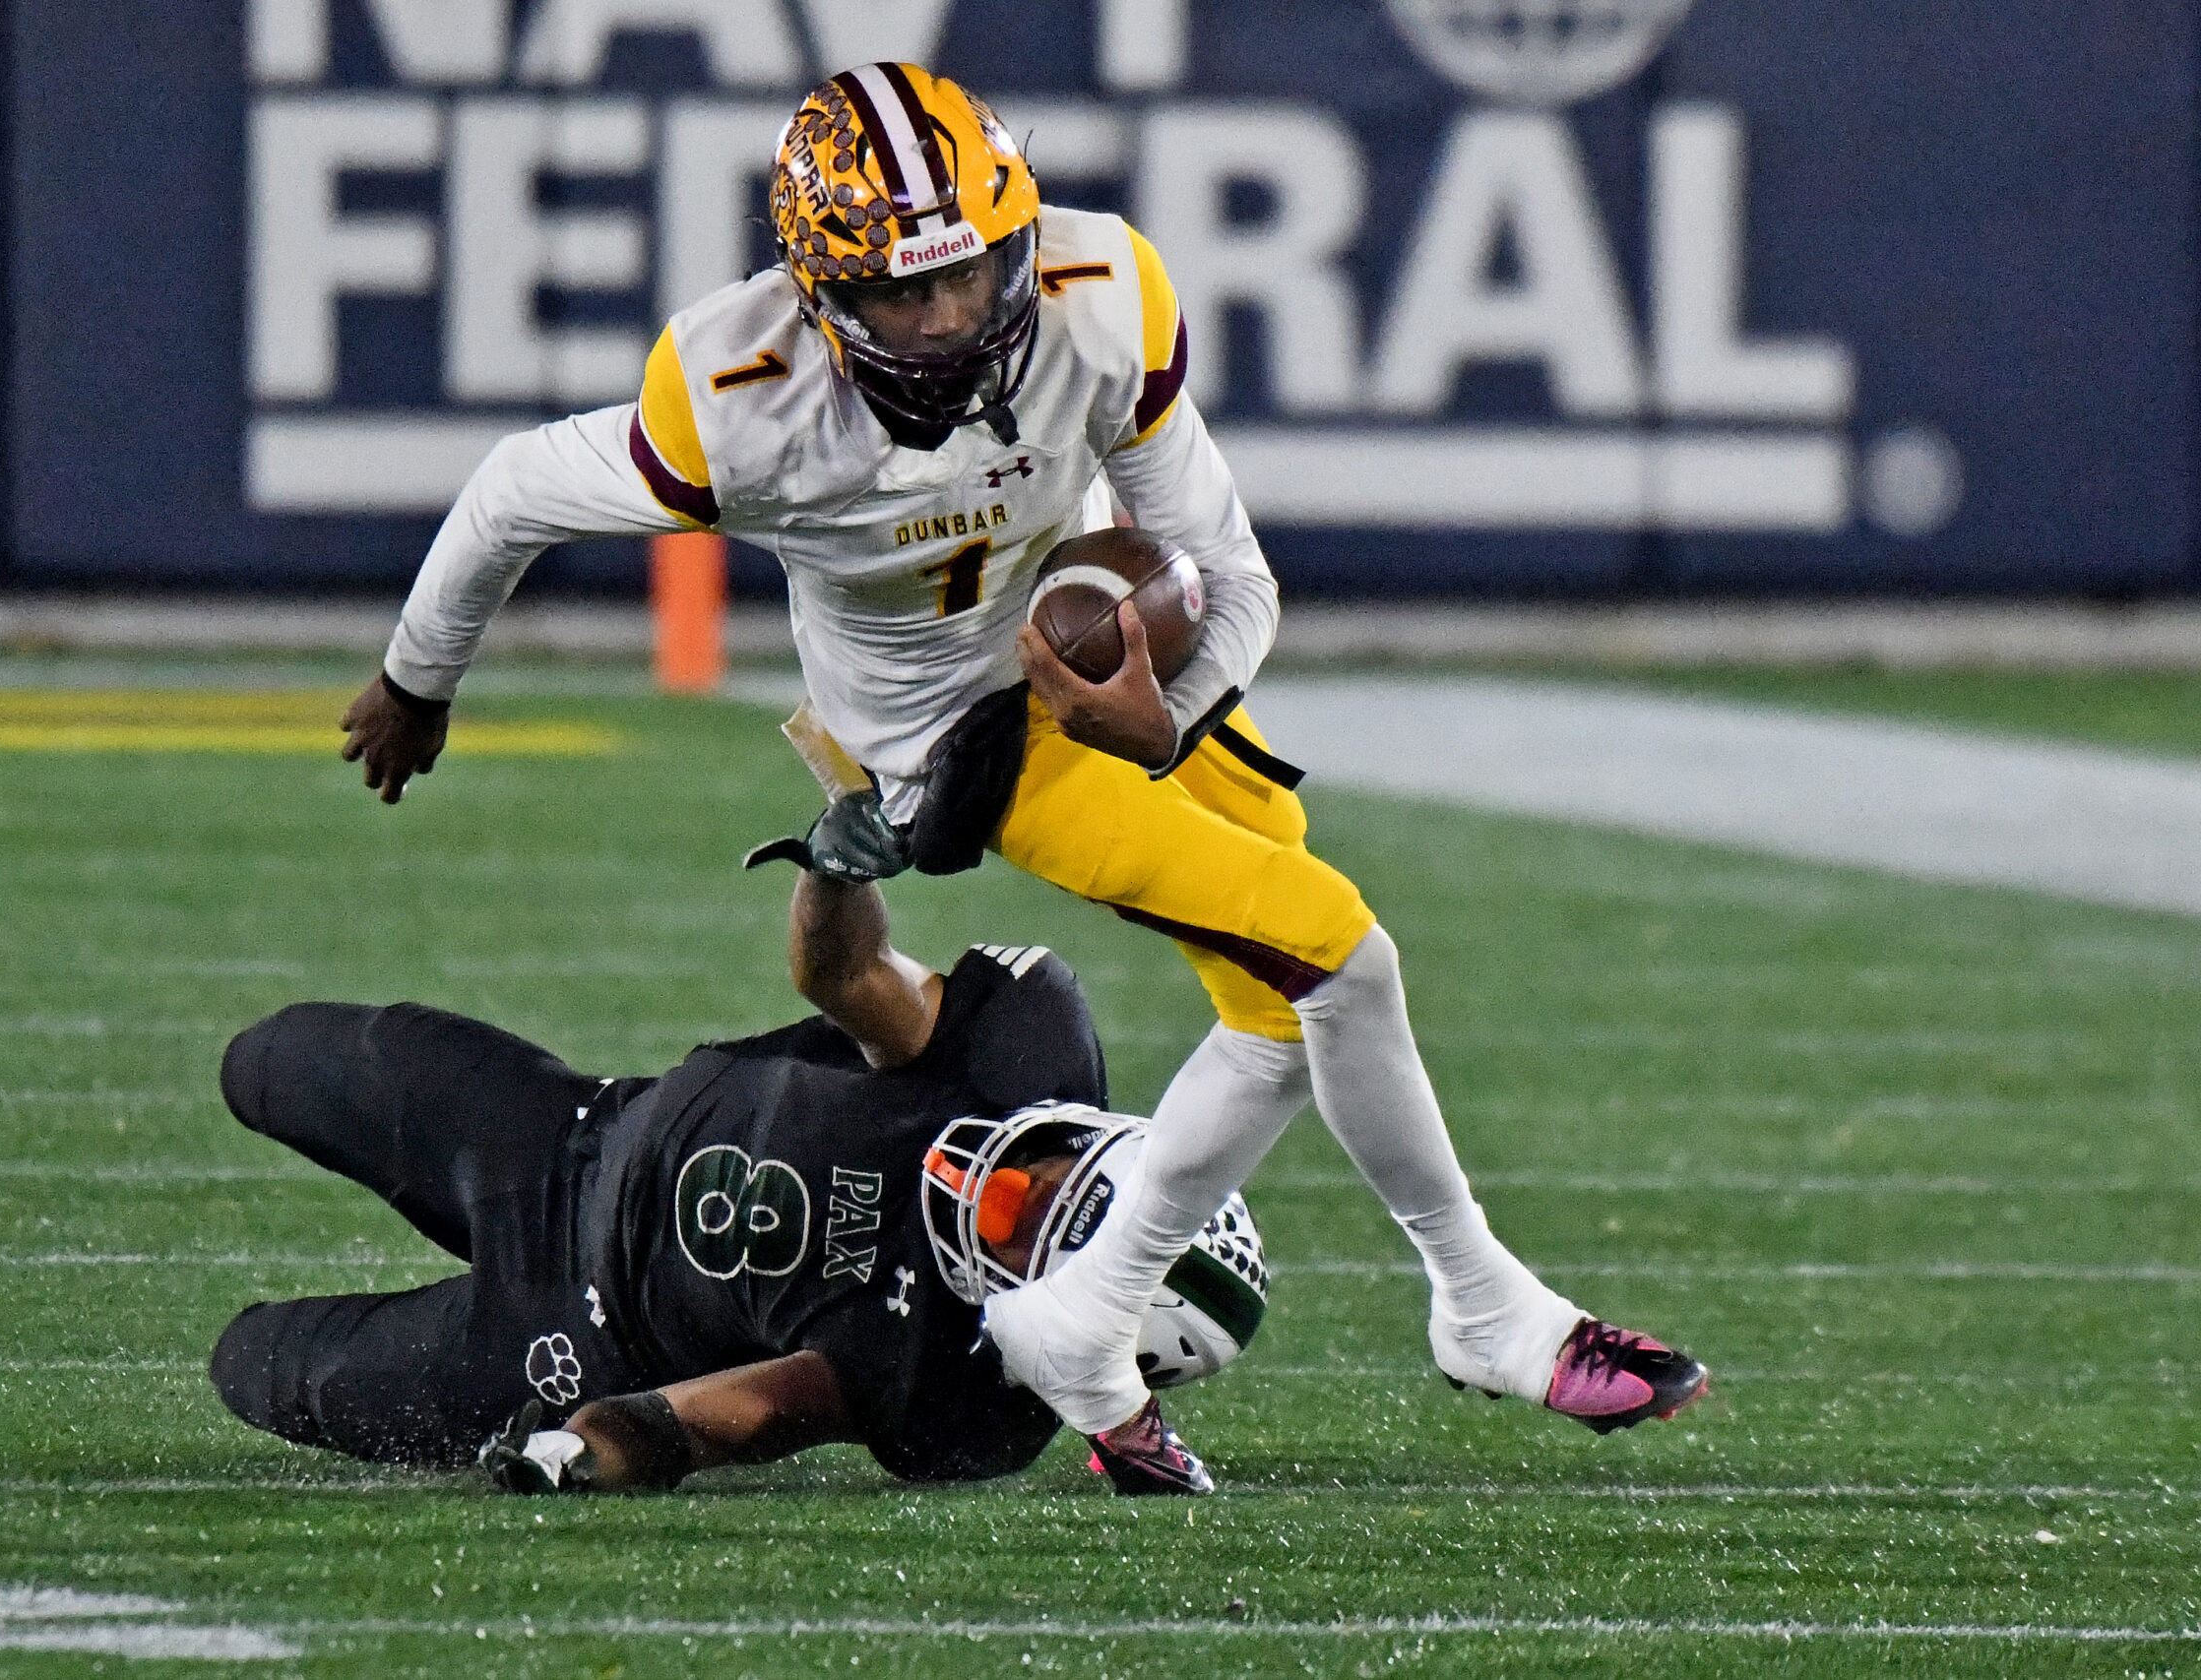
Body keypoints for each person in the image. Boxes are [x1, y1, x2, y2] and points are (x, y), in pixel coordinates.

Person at [334, 62, 1706, 1472]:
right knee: (1338, 958)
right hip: (948, 744)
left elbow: (1232, 579)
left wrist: (1168, 713)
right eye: (899, 296)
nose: (944, 320)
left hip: (1113, 692)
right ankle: (1477, 1299)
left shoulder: (1099, 298)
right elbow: (509, 493)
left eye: (974, 275)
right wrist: (413, 681)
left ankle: (1097, 1317)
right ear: (819, 291)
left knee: (1287, 1000)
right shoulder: (737, 394)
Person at [210, 868, 1264, 1494]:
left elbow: (753, 1415)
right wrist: (843, 853)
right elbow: (842, 972)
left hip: (574, 1336)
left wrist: (589, 1448)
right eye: (1051, 1170)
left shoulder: (957, 1391)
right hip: (573, 1129)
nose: (1002, 1181)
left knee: (252, 1364)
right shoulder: (1017, 1057)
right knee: (261, 1060)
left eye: (1025, 1227)